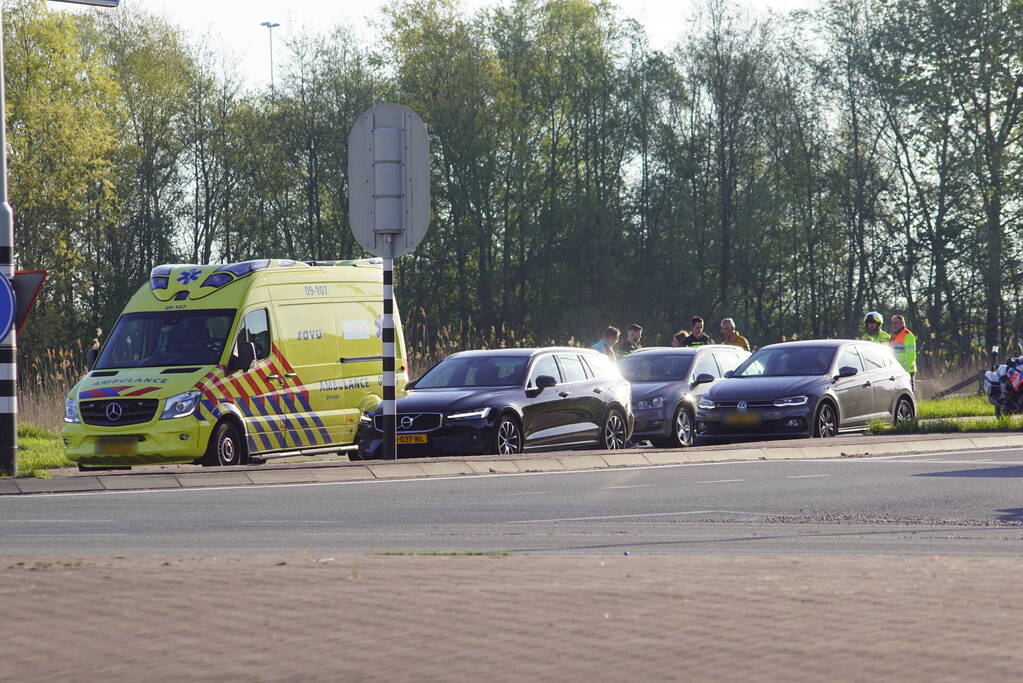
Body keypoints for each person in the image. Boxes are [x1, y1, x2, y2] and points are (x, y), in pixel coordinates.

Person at [889, 314, 917, 389]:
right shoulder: (893, 336)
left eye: (896, 323)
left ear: (902, 324)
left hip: (906, 371)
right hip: (896, 371)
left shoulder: (908, 335)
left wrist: (904, 371)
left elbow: (911, 355)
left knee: (909, 392)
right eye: (892, 323)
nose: (893, 325)